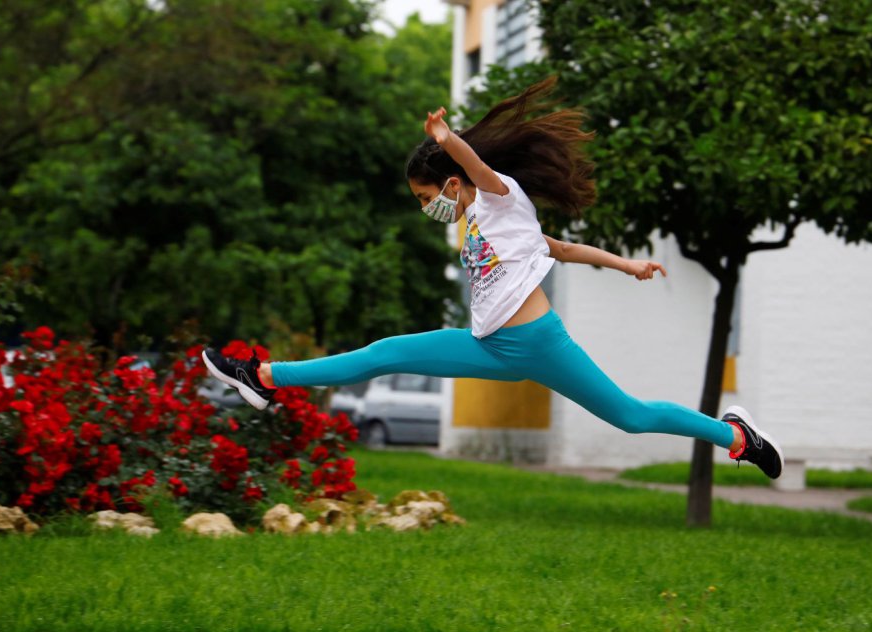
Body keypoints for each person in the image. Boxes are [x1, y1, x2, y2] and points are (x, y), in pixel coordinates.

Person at [202, 78, 783, 479]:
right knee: (384, 353)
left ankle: (736, 436)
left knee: (631, 417)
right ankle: (263, 376)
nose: (425, 207)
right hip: (490, 345)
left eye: (425, 196)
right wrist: (627, 263)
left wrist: (446, 139)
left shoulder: (500, 196)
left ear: (451, 182)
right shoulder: (482, 222)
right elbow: (558, 248)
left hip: (537, 342)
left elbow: (479, 168)